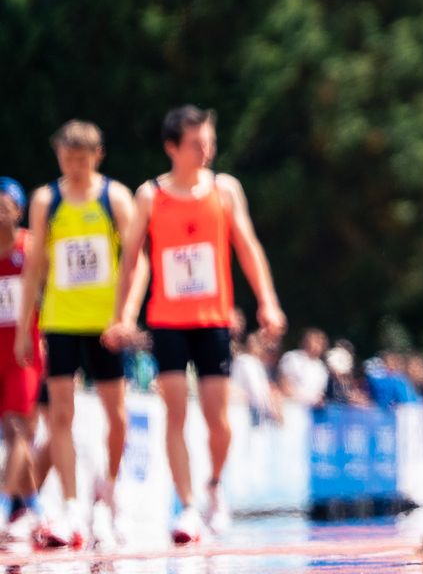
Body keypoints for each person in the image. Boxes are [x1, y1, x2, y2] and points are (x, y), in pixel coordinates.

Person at [103, 105, 286, 544]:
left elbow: (248, 247)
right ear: (172, 148)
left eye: (210, 142)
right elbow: (131, 262)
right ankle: (185, 507)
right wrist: (122, 315)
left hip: (213, 322)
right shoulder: (150, 196)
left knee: (218, 420)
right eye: (196, 144)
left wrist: (268, 303)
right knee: (175, 412)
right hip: (167, 320)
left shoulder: (225, 190)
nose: (206, 150)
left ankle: (214, 488)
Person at [15, 120, 140, 550]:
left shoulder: (115, 197)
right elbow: (33, 267)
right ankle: (70, 504)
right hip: (61, 320)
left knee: (116, 414)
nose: (75, 168)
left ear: (97, 156)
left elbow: (136, 259)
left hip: (105, 324)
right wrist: (23, 329)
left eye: (83, 161)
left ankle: (107, 490)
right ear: (59, 156)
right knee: (61, 415)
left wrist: (125, 314)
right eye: (68, 160)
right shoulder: (46, 199)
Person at [0, 179, 44, 544]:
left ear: (18, 210)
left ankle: (5, 503)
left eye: (4, 206)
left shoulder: (31, 247)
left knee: (18, 430)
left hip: (24, 352)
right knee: (12, 434)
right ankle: (32, 506)